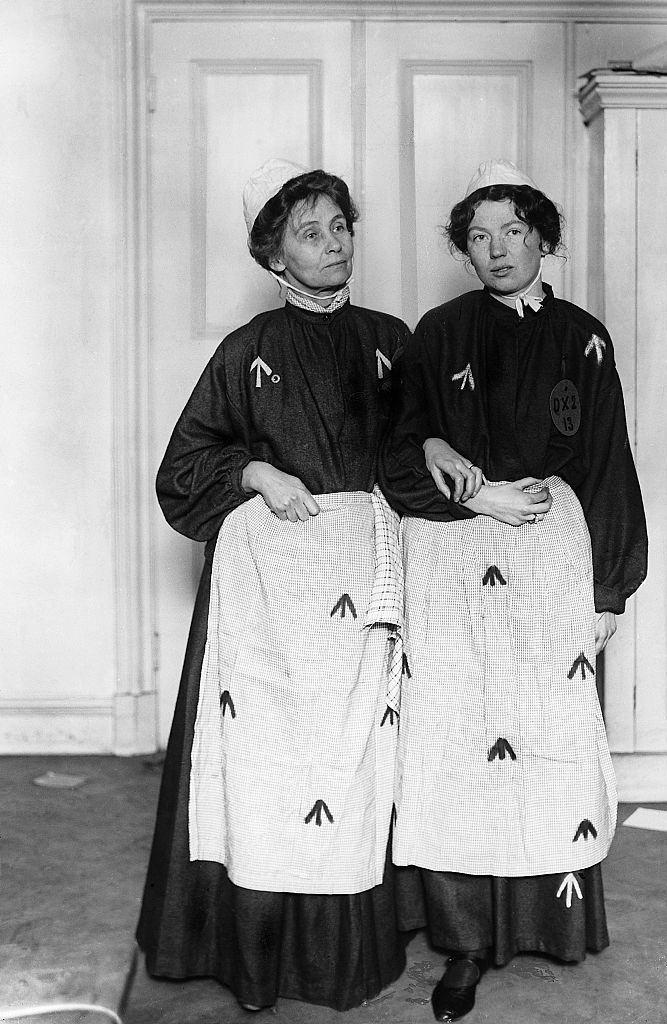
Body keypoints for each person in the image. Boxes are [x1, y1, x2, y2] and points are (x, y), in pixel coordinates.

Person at [136, 159, 411, 1013]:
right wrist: (255, 471)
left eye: (340, 227)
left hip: (363, 583)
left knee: (355, 760)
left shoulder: (395, 341)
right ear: (274, 259)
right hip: (269, 595)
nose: (332, 245)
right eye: (309, 233)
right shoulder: (245, 351)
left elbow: (424, 455)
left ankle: (344, 959)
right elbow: (182, 471)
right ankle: (255, 955)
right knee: (264, 767)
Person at [379, 160, 647, 1022]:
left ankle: (547, 924)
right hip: (453, 552)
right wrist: (465, 483)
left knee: (546, 733)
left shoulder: (584, 336)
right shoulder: (438, 331)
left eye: (512, 232)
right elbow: (399, 444)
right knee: (454, 737)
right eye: (478, 237)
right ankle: (462, 944)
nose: (495, 250)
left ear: (542, 238)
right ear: (464, 249)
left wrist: (611, 588)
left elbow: (606, 460)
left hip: (550, 555)